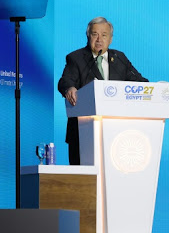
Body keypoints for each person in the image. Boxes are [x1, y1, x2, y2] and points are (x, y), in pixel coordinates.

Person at [57, 17, 148, 165]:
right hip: (83, 132)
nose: (99, 39)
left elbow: (139, 82)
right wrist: (70, 88)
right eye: (95, 34)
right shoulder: (76, 58)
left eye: (104, 35)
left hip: (118, 133)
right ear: (88, 36)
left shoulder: (119, 58)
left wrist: (153, 89)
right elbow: (65, 81)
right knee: (83, 182)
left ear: (110, 39)